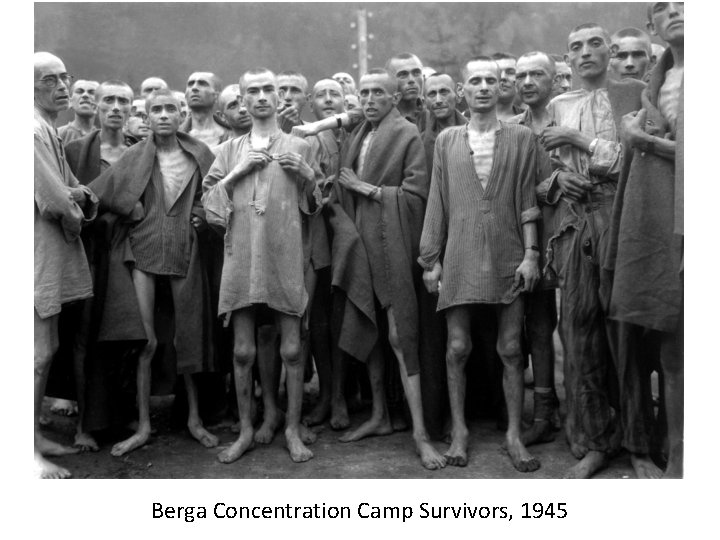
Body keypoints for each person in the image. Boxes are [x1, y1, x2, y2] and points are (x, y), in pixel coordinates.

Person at [419, 57, 541, 472]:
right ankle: (459, 432)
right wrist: (430, 259)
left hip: (509, 251)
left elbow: (528, 199)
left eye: (492, 80)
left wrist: (531, 254)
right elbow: (437, 200)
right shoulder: (447, 140)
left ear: (501, 86)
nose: (485, 87)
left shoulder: (522, 137)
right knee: (457, 347)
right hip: (460, 253)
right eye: (476, 81)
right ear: (463, 92)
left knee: (510, 348)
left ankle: (512, 435)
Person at [88, 89, 219, 456]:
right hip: (142, 250)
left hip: (183, 249)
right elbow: (101, 194)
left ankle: (194, 419)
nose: (163, 115)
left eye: (170, 109)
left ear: (181, 115)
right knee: (147, 342)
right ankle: (144, 426)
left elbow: (216, 194)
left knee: (186, 336)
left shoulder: (200, 154)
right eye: (155, 110)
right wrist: (129, 209)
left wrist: (201, 214)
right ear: (146, 117)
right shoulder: (135, 155)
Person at [202, 68, 322, 464]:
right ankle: (247, 430)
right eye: (252, 91)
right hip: (241, 257)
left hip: (285, 252)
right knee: (241, 351)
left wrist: (306, 175)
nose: (261, 97)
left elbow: (317, 202)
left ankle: (290, 428)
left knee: (291, 347)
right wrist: (240, 171)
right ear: (242, 99)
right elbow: (210, 206)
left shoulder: (300, 146)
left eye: (268, 89)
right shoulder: (228, 151)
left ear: (278, 96)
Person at [540, 23, 644, 478]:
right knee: (578, 332)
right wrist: (559, 179)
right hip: (573, 222)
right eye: (575, 46)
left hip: (622, 218)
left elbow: (633, 161)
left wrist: (579, 141)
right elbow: (540, 173)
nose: (585, 53)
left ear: (611, 51)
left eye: (594, 44)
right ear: (568, 57)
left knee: (624, 332)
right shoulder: (556, 105)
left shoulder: (634, 95)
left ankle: (640, 441)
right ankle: (595, 438)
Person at [328, 68, 445, 470]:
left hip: (393, 245)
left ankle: (420, 434)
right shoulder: (359, 134)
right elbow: (339, 185)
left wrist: (369, 189)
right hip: (360, 244)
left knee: (399, 336)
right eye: (364, 92)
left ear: (395, 98)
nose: (370, 98)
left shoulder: (407, 134)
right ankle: (379, 416)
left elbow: (418, 195)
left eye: (379, 92)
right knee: (371, 329)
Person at [605, 1, 684, 478]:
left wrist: (645, 142)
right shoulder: (662, 79)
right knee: (674, 347)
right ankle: (677, 458)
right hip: (664, 222)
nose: (677, 11)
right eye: (664, 6)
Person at [59, 79, 137, 451]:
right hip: (86, 251)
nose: (116, 107)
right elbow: (64, 198)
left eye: (124, 100)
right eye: (109, 100)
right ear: (99, 107)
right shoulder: (74, 150)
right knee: (82, 336)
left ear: (132, 107)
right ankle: (84, 424)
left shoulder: (141, 151)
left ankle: (122, 416)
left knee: (124, 334)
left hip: (128, 252)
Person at [34, 51, 99, 478]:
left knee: (48, 347)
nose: (61, 86)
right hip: (37, 249)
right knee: (35, 353)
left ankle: (32, 439)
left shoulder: (47, 129)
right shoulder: (29, 130)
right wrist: (77, 213)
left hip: (49, 249)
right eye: (50, 80)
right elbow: (56, 199)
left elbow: (73, 187)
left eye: (64, 78)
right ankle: (24, 454)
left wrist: (79, 197)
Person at [509, 52, 561, 446]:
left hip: (573, 232)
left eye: (536, 74)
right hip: (527, 238)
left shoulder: (568, 120)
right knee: (537, 324)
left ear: (555, 80)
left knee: (577, 326)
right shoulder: (509, 129)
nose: (527, 81)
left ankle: (587, 409)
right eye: (520, 74)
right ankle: (544, 410)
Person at [301, 78, 347, 429]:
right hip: (318, 234)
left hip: (352, 233)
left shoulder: (355, 129)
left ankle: (348, 395)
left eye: (335, 95)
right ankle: (328, 395)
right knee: (319, 321)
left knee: (348, 316)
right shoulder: (305, 139)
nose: (328, 100)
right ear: (310, 103)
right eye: (321, 96)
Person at [421, 73, 467, 173]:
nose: (438, 100)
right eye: (432, 94)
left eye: (444, 92)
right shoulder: (419, 143)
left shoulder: (474, 133)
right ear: (424, 102)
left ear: (457, 95)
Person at [180, 71, 230, 148]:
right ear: (186, 95)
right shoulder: (174, 136)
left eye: (202, 84)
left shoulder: (232, 135)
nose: (194, 88)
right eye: (190, 84)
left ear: (216, 95)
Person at [385, 53, 426, 128]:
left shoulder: (433, 117)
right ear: (389, 82)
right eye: (403, 75)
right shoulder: (382, 120)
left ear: (424, 78)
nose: (411, 80)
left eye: (416, 73)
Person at [58, 79, 99, 144]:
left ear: (99, 103)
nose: (85, 95)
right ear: (70, 102)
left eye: (92, 92)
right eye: (79, 92)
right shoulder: (58, 135)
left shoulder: (104, 137)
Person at [491, 52, 523, 121]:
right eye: (497, 72)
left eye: (510, 72)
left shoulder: (529, 119)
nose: (503, 77)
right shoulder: (467, 118)